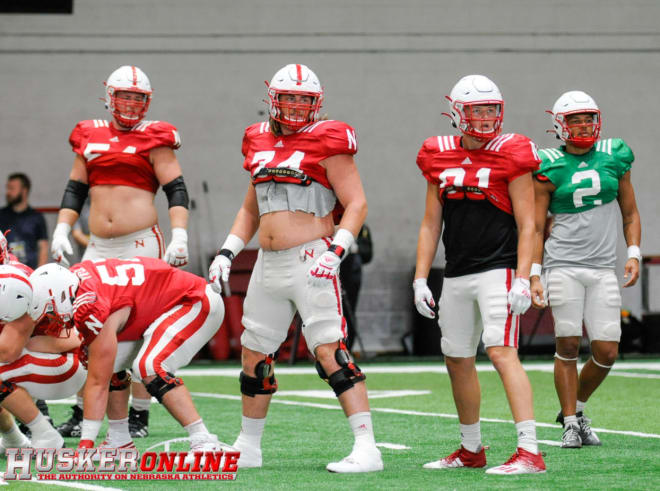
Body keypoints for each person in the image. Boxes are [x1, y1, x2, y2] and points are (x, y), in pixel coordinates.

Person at [208, 64, 382, 473]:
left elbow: (356, 202)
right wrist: (227, 252)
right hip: (268, 265)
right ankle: (248, 446)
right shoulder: (256, 138)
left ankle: (367, 447)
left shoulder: (328, 138)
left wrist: (337, 248)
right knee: (254, 354)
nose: (297, 105)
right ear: (274, 98)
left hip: (312, 257)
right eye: (290, 97)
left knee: (329, 350)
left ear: (317, 104)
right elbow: (251, 208)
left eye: (305, 99)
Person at [413, 74, 546, 475]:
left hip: (499, 270)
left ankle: (530, 452)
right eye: (476, 110)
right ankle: (471, 448)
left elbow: (529, 224)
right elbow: (429, 224)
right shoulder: (438, 154)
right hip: (456, 274)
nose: (486, 118)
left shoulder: (513, 151)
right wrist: (420, 277)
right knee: (456, 358)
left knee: (502, 352)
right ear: (456, 112)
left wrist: (524, 276)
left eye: (491, 109)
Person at [51, 65, 192, 439]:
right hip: (97, 246)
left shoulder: (156, 137)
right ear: (109, 97)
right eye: (124, 96)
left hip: (141, 241)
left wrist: (180, 235)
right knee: (86, 325)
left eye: (138, 97)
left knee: (142, 329)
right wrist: (62, 228)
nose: (130, 104)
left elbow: (176, 189)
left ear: (147, 101)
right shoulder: (88, 133)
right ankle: (83, 410)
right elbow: (74, 190)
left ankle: (139, 414)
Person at [530, 90, 641, 448]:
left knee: (607, 350)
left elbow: (630, 212)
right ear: (559, 126)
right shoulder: (548, 163)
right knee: (567, 342)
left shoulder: (614, 155)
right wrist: (534, 272)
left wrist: (634, 251)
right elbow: (534, 225)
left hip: (602, 266)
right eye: (574, 120)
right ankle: (572, 424)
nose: (582, 126)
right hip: (563, 264)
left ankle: (574, 409)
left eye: (587, 118)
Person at [28, 258, 225, 459]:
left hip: (194, 300)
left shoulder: (92, 307)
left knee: (148, 366)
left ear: (62, 298)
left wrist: (85, 446)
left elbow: (98, 383)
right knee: (107, 364)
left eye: (50, 311)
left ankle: (204, 440)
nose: (50, 318)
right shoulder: (74, 283)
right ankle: (119, 440)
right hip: (160, 309)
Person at [0, 258, 85, 451]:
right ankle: (13, 439)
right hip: (38, 357)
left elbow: (7, 351)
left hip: (66, 363)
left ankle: (45, 435)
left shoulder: (16, 285)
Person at [0, 173, 48, 269]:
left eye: (12, 188)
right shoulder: (1, 215)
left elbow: (43, 247)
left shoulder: (36, 217)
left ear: (24, 191)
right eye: (7, 188)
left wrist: (38, 273)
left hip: (30, 272)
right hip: (6, 272)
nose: (8, 192)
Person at [339, 224, 372, 352]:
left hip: (351, 274)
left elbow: (368, 254)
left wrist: (356, 248)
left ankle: (347, 348)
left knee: (349, 312)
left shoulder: (361, 227)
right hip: (333, 271)